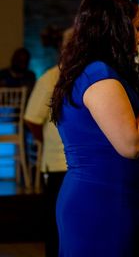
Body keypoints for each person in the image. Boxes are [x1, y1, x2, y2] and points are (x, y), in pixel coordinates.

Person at [50, 0, 139, 256]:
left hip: (111, 199)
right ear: (116, 27)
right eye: (137, 28)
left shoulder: (90, 70)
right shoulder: (99, 74)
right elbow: (130, 145)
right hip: (100, 203)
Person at [24, 27, 73, 257]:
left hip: (81, 164)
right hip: (58, 163)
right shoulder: (50, 78)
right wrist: (47, 143)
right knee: (57, 225)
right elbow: (32, 119)